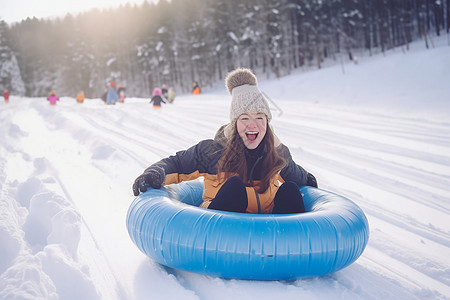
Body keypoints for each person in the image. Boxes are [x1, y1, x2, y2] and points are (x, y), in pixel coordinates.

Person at [133, 68, 318, 214]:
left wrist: (307, 179)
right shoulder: (213, 151)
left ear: (267, 123)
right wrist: (154, 172)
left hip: (267, 232)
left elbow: (297, 176)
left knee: (291, 190)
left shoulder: (277, 153)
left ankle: (290, 251)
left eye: (259, 118)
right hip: (220, 228)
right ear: (235, 123)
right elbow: (177, 163)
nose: (252, 125)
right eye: (244, 118)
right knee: (234, 187)